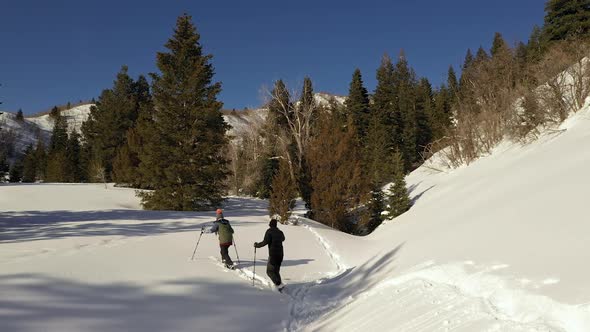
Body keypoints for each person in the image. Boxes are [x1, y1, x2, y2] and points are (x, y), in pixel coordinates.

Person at [254, 219, 286, 291]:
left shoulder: (269, 231)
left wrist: (257, 245)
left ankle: (278, 284)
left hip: (273, 254)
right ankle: (280, 285)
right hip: (280, 254)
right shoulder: (280, 232)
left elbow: (265, 242)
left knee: (270, 271)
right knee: (276, 271)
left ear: (270, 224)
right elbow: (283, 239)